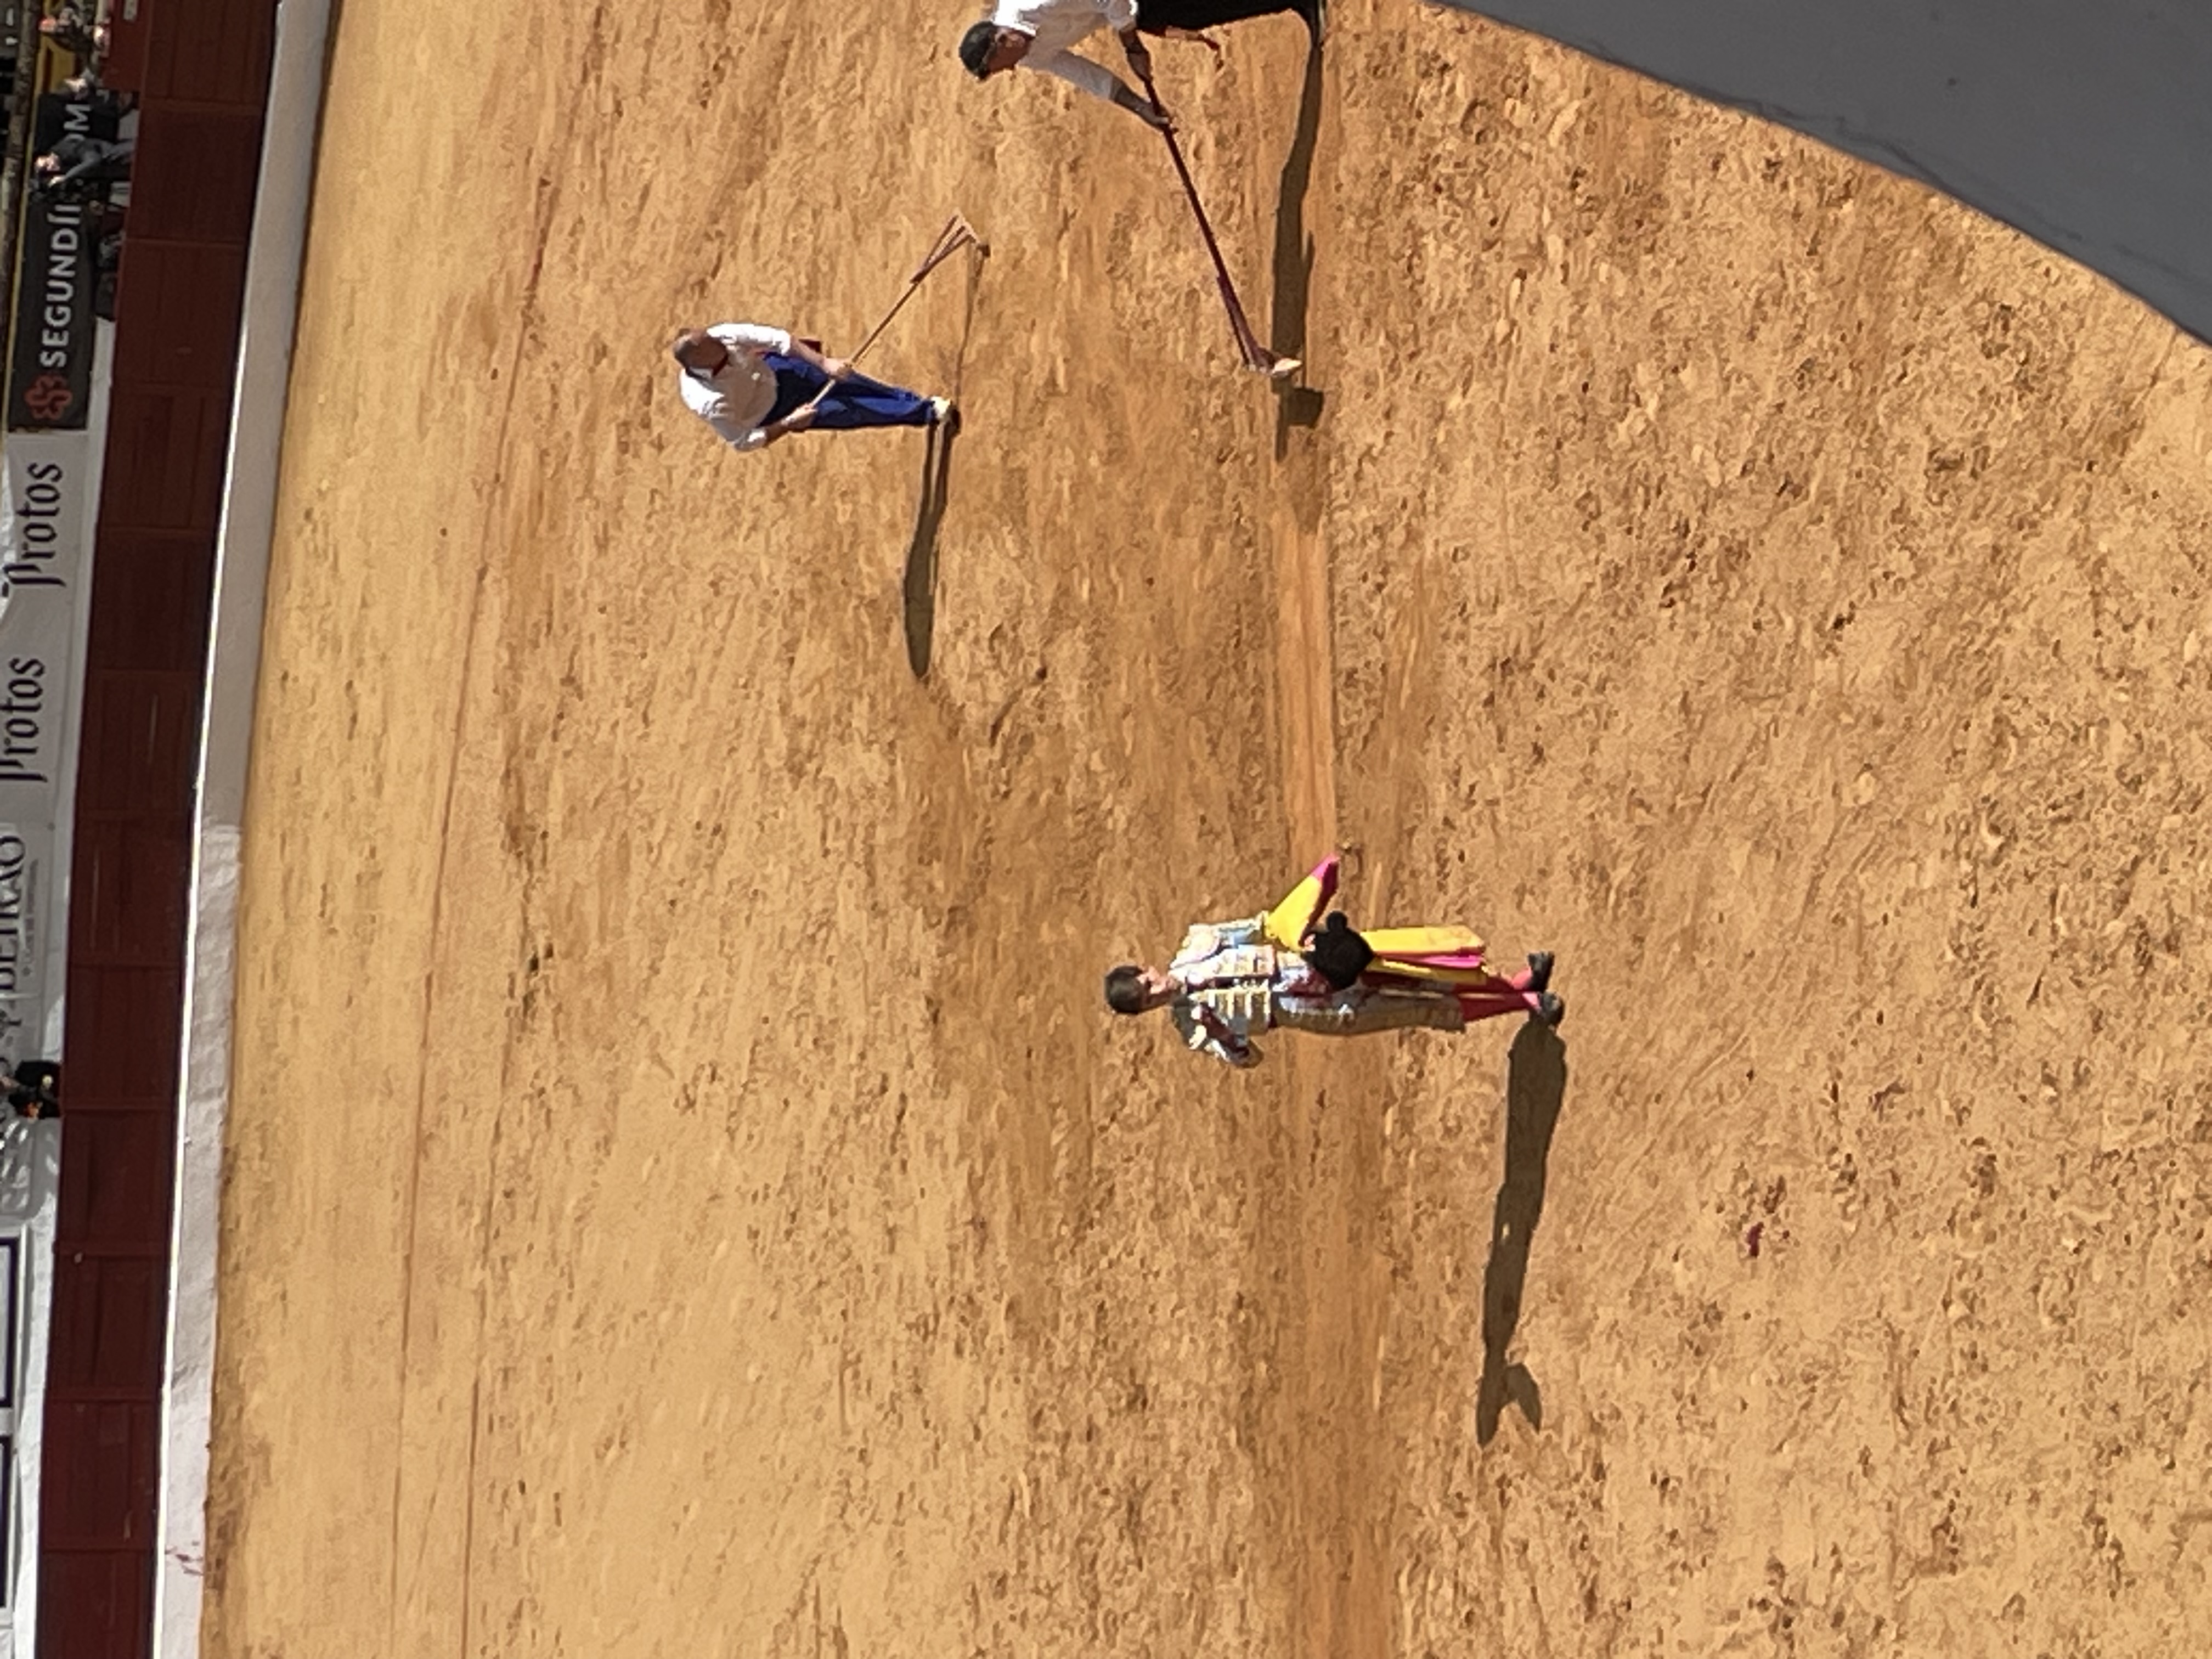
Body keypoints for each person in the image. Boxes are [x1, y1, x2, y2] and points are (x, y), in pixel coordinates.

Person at [1104, 854, 1562, 1068]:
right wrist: (1226, 1036)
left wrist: (1304, 925)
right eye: (1148, 1002)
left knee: (1421, 971)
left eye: (1148, 985)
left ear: (1147, 969)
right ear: (1149, 1011)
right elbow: (1250, 1059)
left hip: (1317, 966)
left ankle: (1519, 984)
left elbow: (1264, 926)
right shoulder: (1194, 1030)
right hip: (1323, 1012)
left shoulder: (1200, 942)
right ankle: (1525, 1003)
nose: (1157, 992)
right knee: (1427, 1008)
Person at [957, 0, 1318, 128]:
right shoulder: (1030, 54)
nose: (1010, 71)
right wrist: (1139, 106)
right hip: (1126, 8)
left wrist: (1132, 46)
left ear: (999, 43)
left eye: (1000, 66)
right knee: (1196, 14)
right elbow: (1084, 74)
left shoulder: (1035, 3)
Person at [671, 324, 953, 454]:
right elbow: (743, 441)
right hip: (779, 411)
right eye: (711, 344)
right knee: (852, 411)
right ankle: (926, 412)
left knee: (853, 382)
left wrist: (824, 362)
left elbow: (777, 339)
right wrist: (787, 424)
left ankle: (913, 402)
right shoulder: (710, 402)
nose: (718, 340)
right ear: (699, 360)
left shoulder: (722, 335)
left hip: (783, 371)